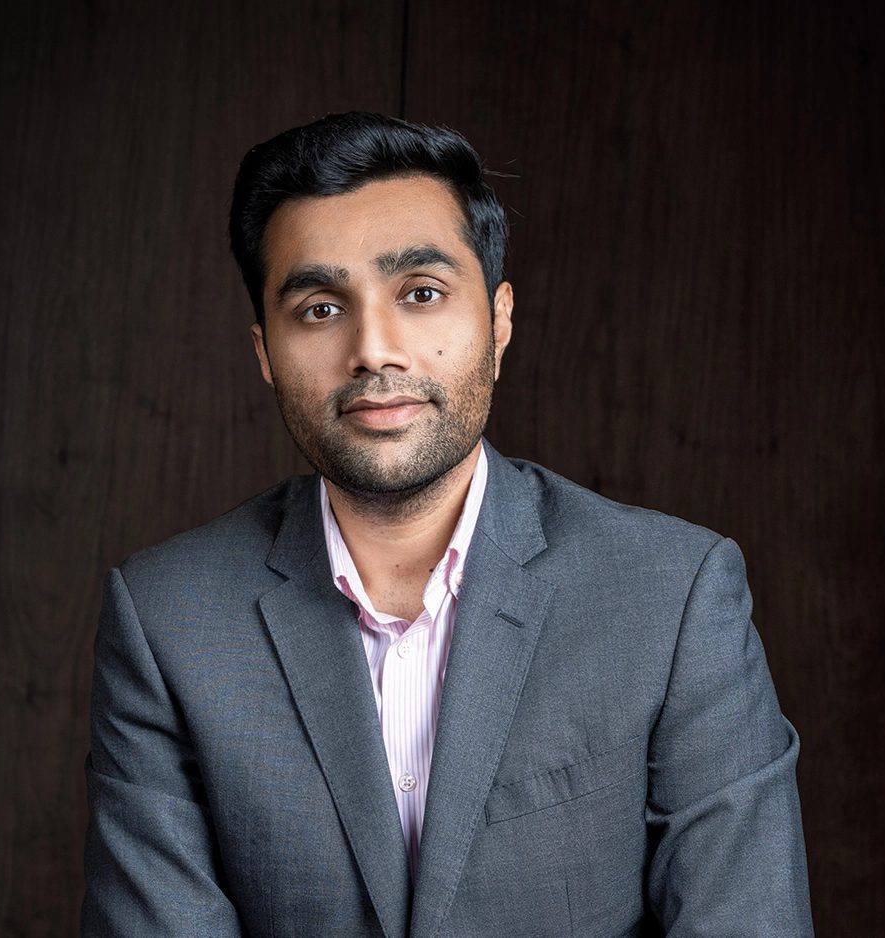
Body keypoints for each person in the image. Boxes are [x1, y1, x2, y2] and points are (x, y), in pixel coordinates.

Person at [81, 112, 813, 937]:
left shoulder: (672, 598)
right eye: (320, 309)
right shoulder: (167, 619)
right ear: (264, 352)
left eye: (420, 294)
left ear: (498, 321)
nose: (374, 349)